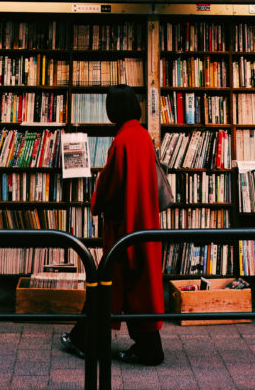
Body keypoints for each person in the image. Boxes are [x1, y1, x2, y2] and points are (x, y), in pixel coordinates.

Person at [61, 84, 165, 365]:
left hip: (124, 228)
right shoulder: (142, 136)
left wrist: (97, 197)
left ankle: (89, 340)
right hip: (143, 222)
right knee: (135, 287)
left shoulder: (122, 141)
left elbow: (110, 186)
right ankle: (92, 339)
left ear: (113, 110)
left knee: (109, 283)